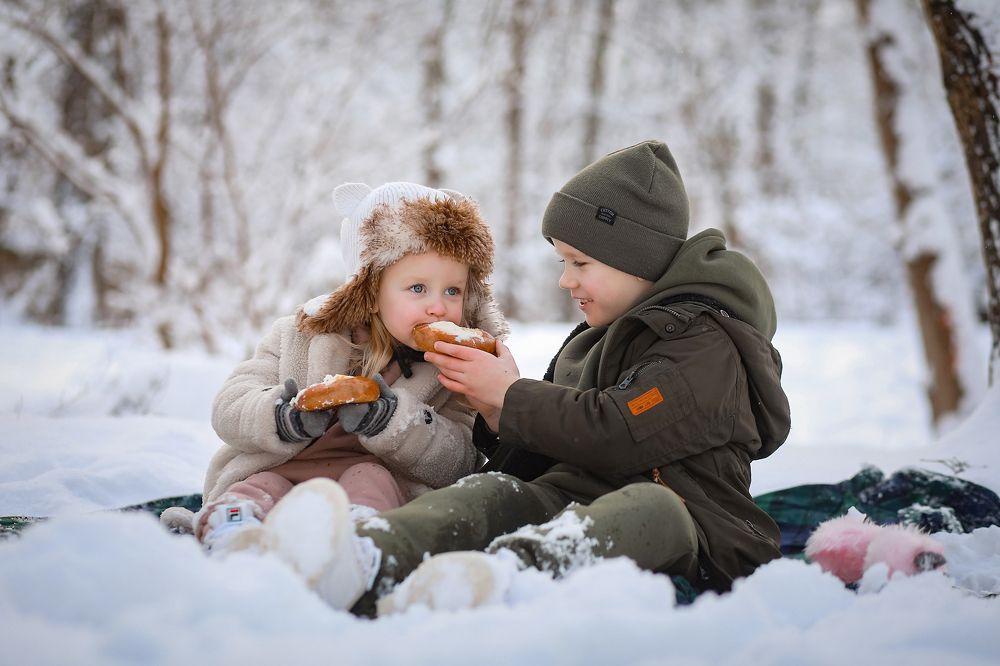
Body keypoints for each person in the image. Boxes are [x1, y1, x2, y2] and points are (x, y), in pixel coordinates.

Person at [228, 140, 791, 615]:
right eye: (563, 262)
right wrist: (498, 414)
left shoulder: (704, 345)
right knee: (495, 491)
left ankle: (497, 576)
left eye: (581, 263)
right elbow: (548, 448)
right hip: (577, 499)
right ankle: (365, 553)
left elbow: (618, 431)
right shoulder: (593, 339)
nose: (566, 280)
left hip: (696, 531)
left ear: (636, 258)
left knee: (654, 508)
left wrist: (511, 396)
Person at [160, 182, 508, 553]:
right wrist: (283, 416)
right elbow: (230, 407)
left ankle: (359, 541)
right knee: (261, 487)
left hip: (381, 485)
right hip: (280, 469)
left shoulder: (455, 368)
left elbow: (459, 461)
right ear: (370, 289)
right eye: (418, 288)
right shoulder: (300, 336)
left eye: (452, 291)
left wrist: (393, 421)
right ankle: (234, 530)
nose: (438, 307)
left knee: (369, 476)